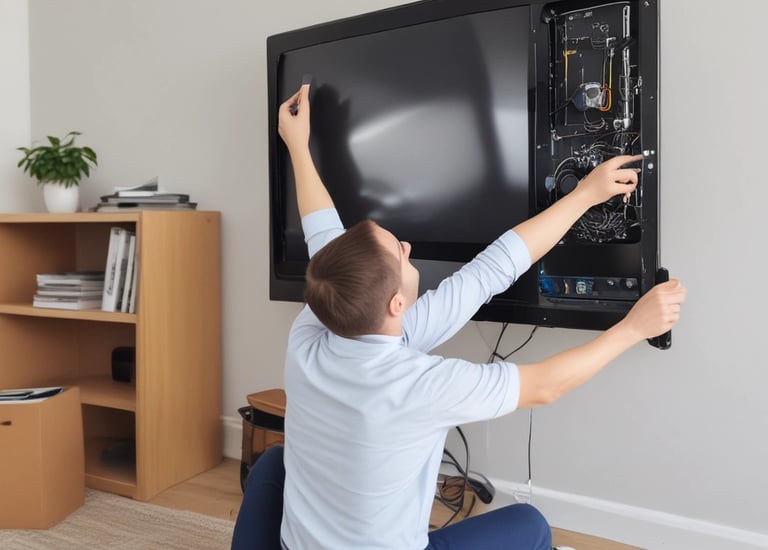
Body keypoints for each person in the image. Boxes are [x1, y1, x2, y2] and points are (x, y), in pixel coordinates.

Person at [234, 84, 686, 550]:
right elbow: (545, 386)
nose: (407, 247)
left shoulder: (313, 327)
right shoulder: (421, 384)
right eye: (400, 253)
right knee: (531, 526)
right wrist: (633, 328)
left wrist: (296, 144)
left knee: (273, 463)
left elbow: (484, 268)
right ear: (394, 304)